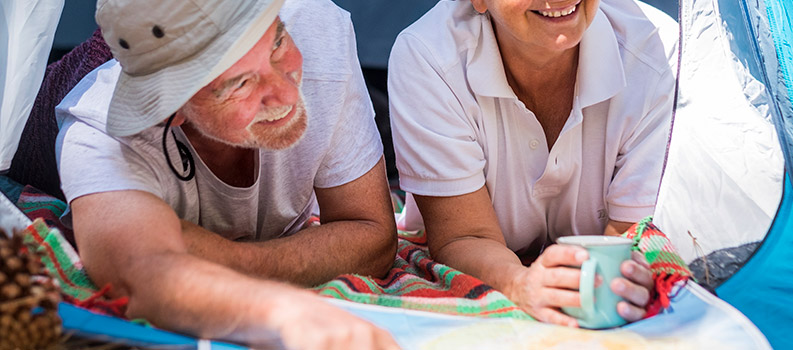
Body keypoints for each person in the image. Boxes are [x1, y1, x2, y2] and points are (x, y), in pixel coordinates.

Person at [54, 0, 399, 348]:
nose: (287, 93)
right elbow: (140, 277)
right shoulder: (98, 135)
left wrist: (227, 257)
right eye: (239, 84)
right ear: (169, 111)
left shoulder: (314, 23)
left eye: (277, 44)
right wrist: (281, 313)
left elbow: (372, 235)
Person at [389, 0, 677, 326]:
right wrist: (520, 284)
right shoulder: (429, 58)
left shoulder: (661, 54)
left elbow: (630, 235)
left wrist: (617, 280)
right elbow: (464, 236)